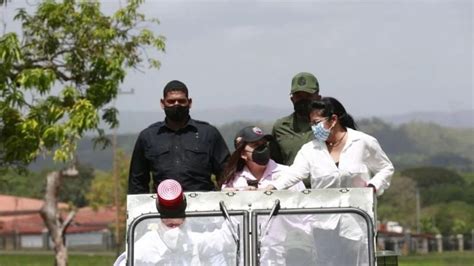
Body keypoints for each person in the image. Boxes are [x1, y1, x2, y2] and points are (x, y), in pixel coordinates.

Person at [266, 97, 394, 265]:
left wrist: (373, 186)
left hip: (357, 219)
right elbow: (294, 173)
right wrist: (272, 186)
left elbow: (386, 168)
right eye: (311, 124)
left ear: (333, 120)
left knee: (360, 261)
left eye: (317, 122)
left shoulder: (362, 142)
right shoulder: (310, 149)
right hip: (324, 222)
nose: (314, 128)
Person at [128, 80, 230, 194]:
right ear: (162, 103)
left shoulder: (208, 134)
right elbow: (137, 182)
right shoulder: (148, 137)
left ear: (189, 102)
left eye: (181, 101)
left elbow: (226, 174)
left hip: (204, 206)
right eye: (171, 101)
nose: (176, 104)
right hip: (161, 207)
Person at [114, 179, 237, 266]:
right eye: (170, 225)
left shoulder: (193, 241)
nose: (175, 231)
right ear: (160, 218)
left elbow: (226, 237)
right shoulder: (142, 250)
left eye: (178, 225)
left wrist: (237, 199)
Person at [220, 126, 305, 192]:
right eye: (255, 145)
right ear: (243, 154)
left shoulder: (287, 173)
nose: (263, 149)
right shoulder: (233, 179)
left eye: (264, 144)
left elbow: (306, 210)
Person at [269, 72, 321, 167]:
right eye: (299, 96)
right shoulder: (280, 127)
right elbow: (274, 163)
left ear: (318, 98)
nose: (303, 100)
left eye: (308, 96)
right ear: (292, 99)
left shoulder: (328, 126)